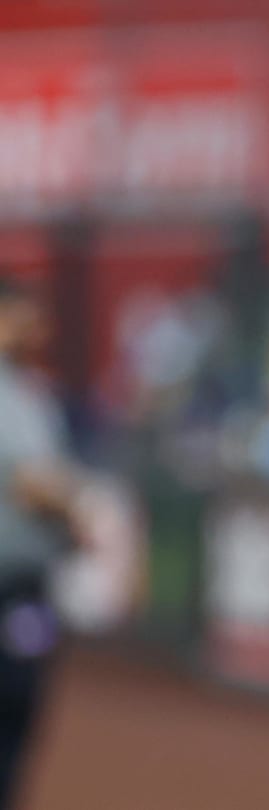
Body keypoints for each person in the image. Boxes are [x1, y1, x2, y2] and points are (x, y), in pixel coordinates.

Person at [0, 274, 79, 808]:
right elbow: (37, 485)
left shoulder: (27, 390)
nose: (37, 330)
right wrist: (91, 513)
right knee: (13, 708)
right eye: (23, 317)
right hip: (11, 588)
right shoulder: (12, 394)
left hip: (23, 582)